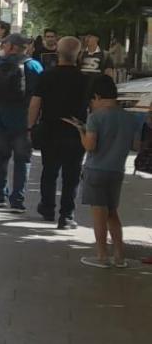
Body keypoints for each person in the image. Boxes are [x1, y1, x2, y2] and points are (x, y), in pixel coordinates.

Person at [67, 77, 142, 267]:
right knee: (112, 213)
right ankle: (119, 255)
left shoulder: (96, 117)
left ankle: (102, 255)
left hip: (96, 170)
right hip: (117, 170)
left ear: (97, 96)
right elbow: (135, 145)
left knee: (98, 215)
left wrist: (81, 131)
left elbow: (90, 146)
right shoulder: (129, 118)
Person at [27, 36, 89, 228]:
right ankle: (67, 215)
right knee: (72, 175)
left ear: (58, 53)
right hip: (76, 132)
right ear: (78, 54)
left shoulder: (47, 75)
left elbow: (35, 102)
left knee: (49, 171)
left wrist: (30, 127)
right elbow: (92, 107)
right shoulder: (85, 79)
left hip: (50, 130)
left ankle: (47, 208)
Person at [0, 33, 40, 211]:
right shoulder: (34, 66)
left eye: (6, 44)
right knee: (22, 161)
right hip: (24, 122)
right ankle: (17, 200)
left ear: (12, 47)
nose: (4, 46)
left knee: (0, 158)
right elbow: (39, 97)